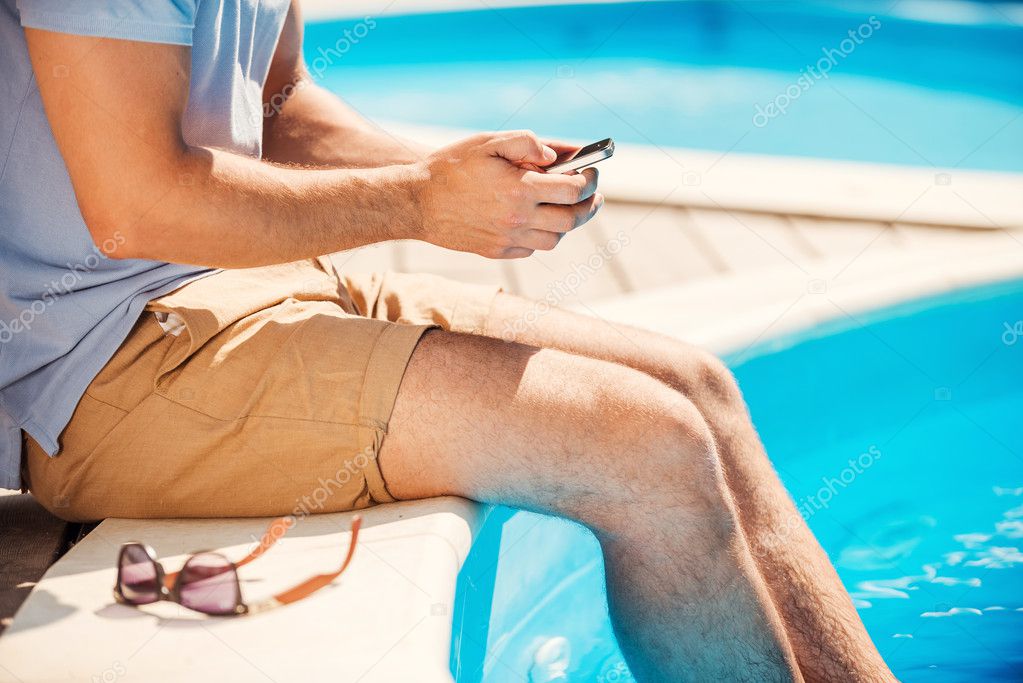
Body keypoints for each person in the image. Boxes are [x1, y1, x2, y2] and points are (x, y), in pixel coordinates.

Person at [0, 1, 895, 680]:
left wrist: (462, 175)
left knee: (697, 388)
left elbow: (279, 104)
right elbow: (136, 206)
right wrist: (423, 202)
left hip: (249, 287)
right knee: (644, 447)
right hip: (102, 364)